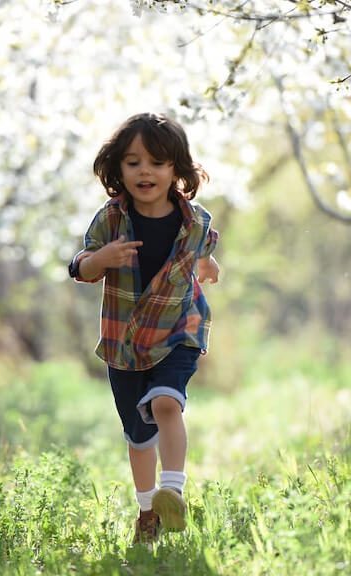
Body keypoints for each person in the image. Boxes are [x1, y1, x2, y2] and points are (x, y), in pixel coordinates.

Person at [69, 112, 219, 544]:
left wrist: (208, 265)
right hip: (126, 342)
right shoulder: (112, 220)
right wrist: (100, 261)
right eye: (133, 162)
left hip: (179, 329)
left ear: (176, 170)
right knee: (138, 435)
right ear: (118, 170)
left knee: (166, 404)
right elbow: (80, 264)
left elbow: (203, 248)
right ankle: (148, 509)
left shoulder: (194, 220)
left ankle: (172, 490)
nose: (145, 171)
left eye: (156, 162)